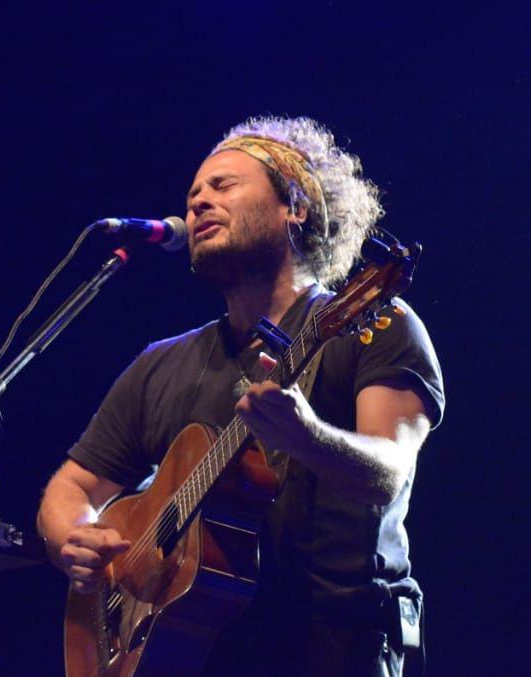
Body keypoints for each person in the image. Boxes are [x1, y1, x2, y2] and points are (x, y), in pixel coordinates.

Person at [37, 115, 445, 676]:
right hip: (195, 652)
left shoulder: (374, 322)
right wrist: (74, 538)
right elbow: (74, 484)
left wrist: (306, 436)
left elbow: (387, 473)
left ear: (295, 206)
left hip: (332, 647)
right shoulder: (161, 362)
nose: (198, 202)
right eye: (193, 193)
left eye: (223, 186)